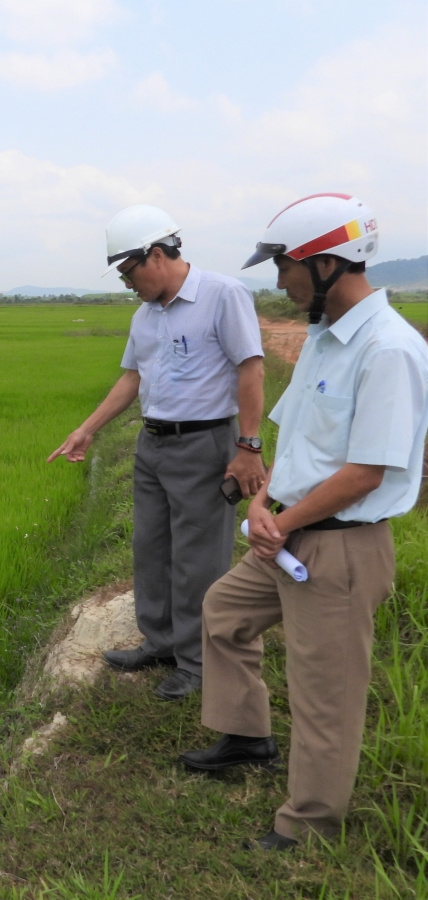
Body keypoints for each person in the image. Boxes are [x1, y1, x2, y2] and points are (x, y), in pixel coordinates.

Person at [179, 193, 428, 851]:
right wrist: (264, 503)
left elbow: (365, 472)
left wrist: (284, 523)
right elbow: (302, 447)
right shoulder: (324, 338)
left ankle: (310, 823)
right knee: (224, 612)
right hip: (291, 529)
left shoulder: (389, 350)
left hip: (340, 547)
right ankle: (248, 737)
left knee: (326, 693)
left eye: (284, 264)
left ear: (325, 263)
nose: (279, 279)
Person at [49, 205, 266, 701]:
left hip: (205, 441)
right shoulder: (144, 316)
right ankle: (162, 642)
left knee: (198, 559)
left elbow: (250, 369)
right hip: (153, 443)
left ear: (156, 255)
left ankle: (198, 662)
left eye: (129, 272)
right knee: (150, 547)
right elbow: (133, 378)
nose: (127, 283)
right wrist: (87, 431)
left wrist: (248, 447)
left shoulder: (221, 295)